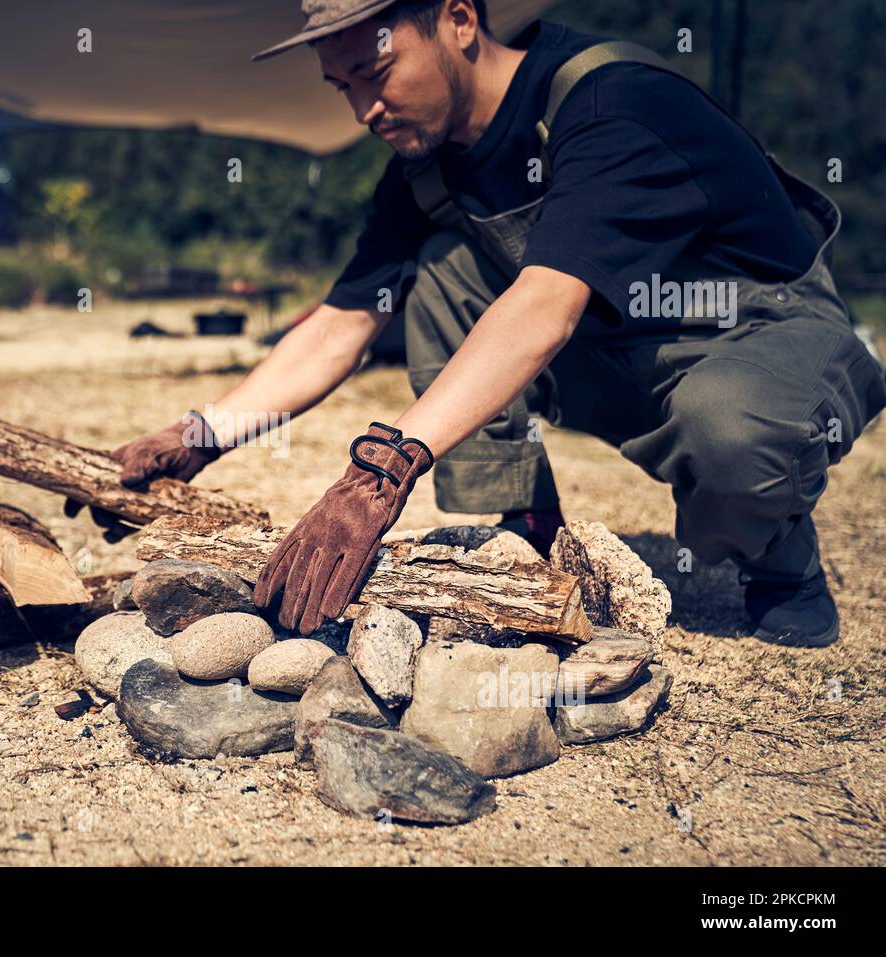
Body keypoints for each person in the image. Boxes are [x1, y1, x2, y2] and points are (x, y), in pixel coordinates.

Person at [67, 0, 885, 647]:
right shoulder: (425, 172)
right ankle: (524, 528)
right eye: (342, 85)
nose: (362, 108)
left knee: (731, 433)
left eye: (375, 68)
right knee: (443, 276)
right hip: (614, 344)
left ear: (459, 19)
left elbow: (543, 306)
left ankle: (779, 558)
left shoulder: (608, 105)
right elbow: (342, 323)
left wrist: (380, 471)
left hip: (757, 334)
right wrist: (203, 433)